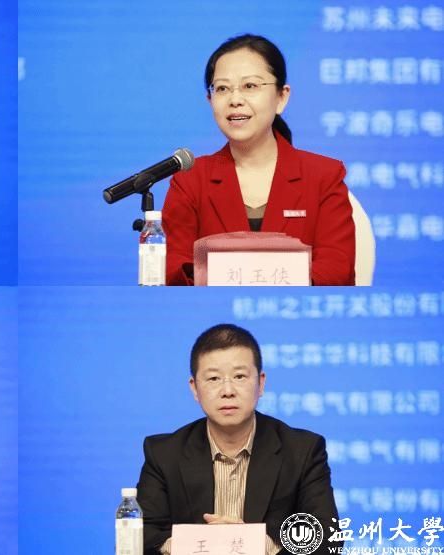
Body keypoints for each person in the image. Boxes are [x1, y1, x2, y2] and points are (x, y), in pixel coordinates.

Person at [162, 34, 355, 286]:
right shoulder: (190, 180)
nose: (235, 100)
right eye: (222, 89)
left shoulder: (324, 176)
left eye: (250, 86)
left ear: (281, 97)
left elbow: (336, 269)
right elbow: (174, 268)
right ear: (210, 100)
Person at [136, 324, 340, 555]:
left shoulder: (302, 450)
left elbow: (328, 540)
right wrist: (194, 544)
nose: (227, 390)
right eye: (213, 378)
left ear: (261, 383)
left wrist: (256, 544)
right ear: (194, 388)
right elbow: (140, 535)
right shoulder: (164, 453)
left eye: (239, 376)